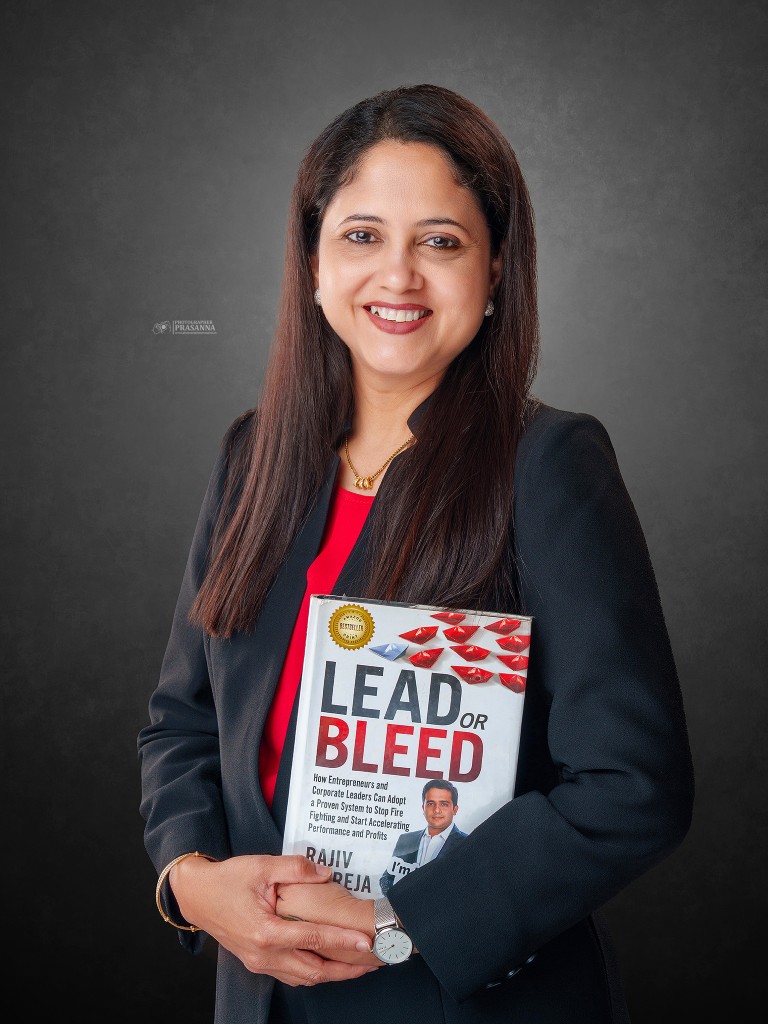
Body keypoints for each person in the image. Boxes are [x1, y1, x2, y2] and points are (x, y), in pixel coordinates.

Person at [137, 83, 694, 1024]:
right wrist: (189, 882)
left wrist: (401, 927)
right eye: (362, 236)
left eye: (441, 242)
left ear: (495, 270)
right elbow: (180, 723)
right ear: (313, 264)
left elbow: (633, 785)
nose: (397, 276)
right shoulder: (253, 456)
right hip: (261, 998)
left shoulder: (548, 464)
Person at [379, 781, 467, 895]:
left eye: (444, 804)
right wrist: (395, 902)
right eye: (430, 803)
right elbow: (386, 878)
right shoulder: (406, 839)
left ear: (455, 809)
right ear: (423, 808)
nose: (436, 810)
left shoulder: (466, 844)